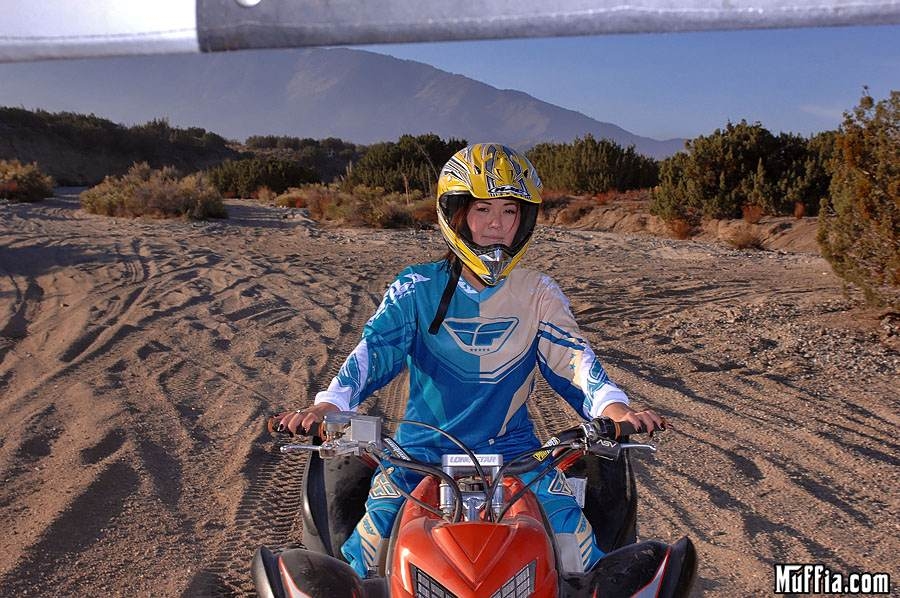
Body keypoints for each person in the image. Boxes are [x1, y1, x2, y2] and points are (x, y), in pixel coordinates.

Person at [273, 143, 664, 578]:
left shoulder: (538, 293)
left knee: (580, 555)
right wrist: (329, 406)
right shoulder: (415, 287)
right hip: (417, 455)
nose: (498, 224)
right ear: (456, 214)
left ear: (524, 219)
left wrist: (615, 409)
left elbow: (574, 360)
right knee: (365, 556)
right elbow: (374, 350)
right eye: (483, 209)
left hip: (517, 455)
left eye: (510, 211)